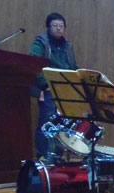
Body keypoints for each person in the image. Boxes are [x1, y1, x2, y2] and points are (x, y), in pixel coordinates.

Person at [29, 12, 78, 159]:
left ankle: (58, 157)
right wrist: (46, 85)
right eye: (55, 25)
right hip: (49, 89)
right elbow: (33, 66)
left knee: (64, 125)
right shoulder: (41, 44)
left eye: (61, 26)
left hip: (66, 90)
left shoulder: (68, 46)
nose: (58, 28)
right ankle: (43, 157)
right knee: (47, 124)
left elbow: (73, 67)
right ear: (48, 27)